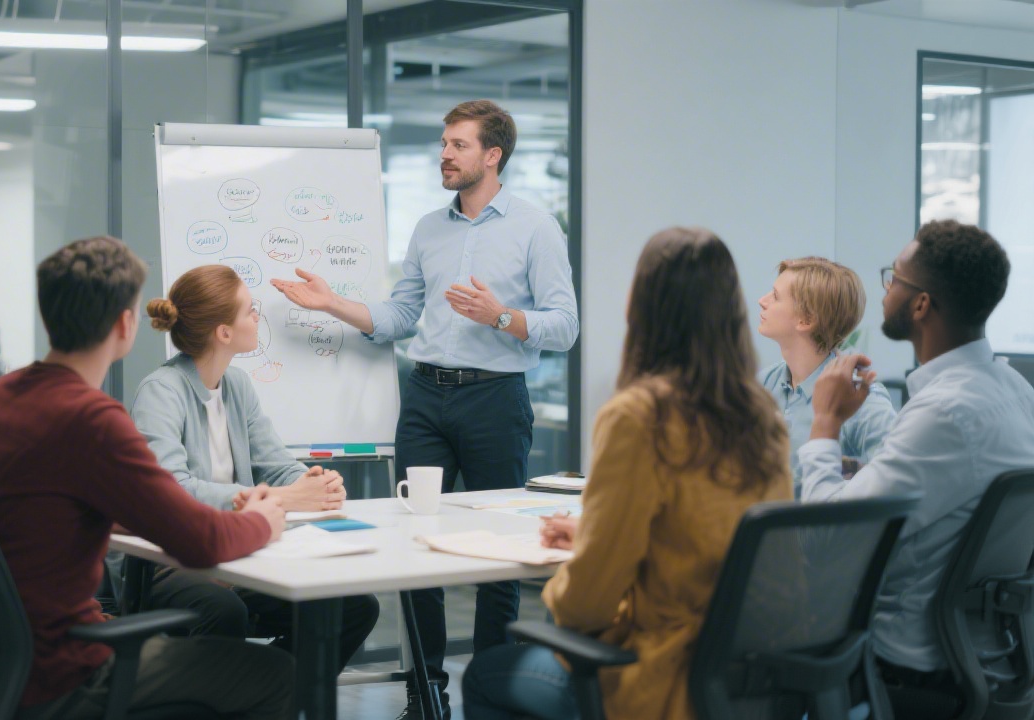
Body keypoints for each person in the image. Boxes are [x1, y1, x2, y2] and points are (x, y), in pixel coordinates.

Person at [272, 99, 578, 719]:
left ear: (492, 156)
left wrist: (499, 315)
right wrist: (334, 304)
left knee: (502, 548)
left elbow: (565, 327)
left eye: (458, 145)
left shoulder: (535, 227)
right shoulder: (428, 229)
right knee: (417, 541)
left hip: (495, 397)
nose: (444, 153)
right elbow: (399, 319)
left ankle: (491, 689)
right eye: (443, 143)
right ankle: (425, 691)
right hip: (425, 396)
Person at [0, 236, 294, 720]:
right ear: (125, 325)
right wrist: (263, 519)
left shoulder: (2, 397)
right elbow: (201, 544)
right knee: (275, 674)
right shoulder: (90, 419)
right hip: (63, 672)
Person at [462, 227, 792, 720]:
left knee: (485, 675)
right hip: (754, 680)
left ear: (642, 307)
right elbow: (714, 539)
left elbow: (584, 607)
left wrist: (575, 566)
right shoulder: (761, 414)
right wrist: (594, 534)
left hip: (662, 679)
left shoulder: (639, 416)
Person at [801, 220, 1034, 719]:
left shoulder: (945, 413)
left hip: (909, 670)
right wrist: (869, 472)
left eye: (894, 279)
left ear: (921, 304)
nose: (886, 290)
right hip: (991, 656)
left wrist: (825, 423)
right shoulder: (1016, 391)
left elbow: (826, 540)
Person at [131, 263, 380, 668]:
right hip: (171, 562)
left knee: (353, 607)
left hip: (234, 552)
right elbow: (171, 490)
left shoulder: (237, 384)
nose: (257, 316)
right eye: (249, 310)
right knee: (224, 609)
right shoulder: (161, 391)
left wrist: (313, 482)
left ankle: (279, 701)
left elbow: (274, 462)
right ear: (223, 333)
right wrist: (282, 497)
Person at [756, 256, 896, 491]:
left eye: (776, 296)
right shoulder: (763, 384)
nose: (762, 301)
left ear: (807, 319)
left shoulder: (862, 400)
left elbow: (898, 476)